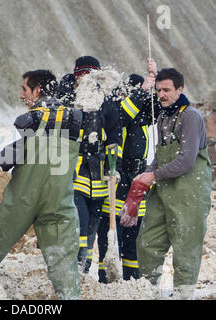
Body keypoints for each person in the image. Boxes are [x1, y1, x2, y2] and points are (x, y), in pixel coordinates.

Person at [0, 70, 83, 300]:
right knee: (63, 263)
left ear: (37, 90)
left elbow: (6, 160)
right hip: (60, 200)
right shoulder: (74, 120)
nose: (22, 95)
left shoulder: (30, 120)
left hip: (24, 198)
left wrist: (5, 152)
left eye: (25, 89)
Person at [124, 66, 211, 299]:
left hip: (189, 194)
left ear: (180, 89)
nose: (161, 95)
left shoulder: (190, 116)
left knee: (185, 248)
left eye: (167, 90)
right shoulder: (163, 115)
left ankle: (183, 295)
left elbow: (186, 161)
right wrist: (144, 175)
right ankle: (148, 291)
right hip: (163, 192)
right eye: (158, 90)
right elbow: (159, 156)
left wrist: (152, 176)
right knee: (147, 242)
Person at [97, 69, 159, 283]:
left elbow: (160, 107)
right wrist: (141, 91)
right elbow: (123, 115)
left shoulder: (141, 118)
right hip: (117, 181)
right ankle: (107, 282)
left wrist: (155, 79)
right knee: (111, 240)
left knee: (134, 242)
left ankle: (132, 281)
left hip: (138, 181)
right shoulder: (116, 111)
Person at [71, 56, 123, 273]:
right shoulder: (71, 101)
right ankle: (74, 267)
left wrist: (115, 167)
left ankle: (84, 270)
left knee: (92, 226)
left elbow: (114, 136)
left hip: (100, 178)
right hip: (75, 175)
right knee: (79, 225)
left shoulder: (107, 105)